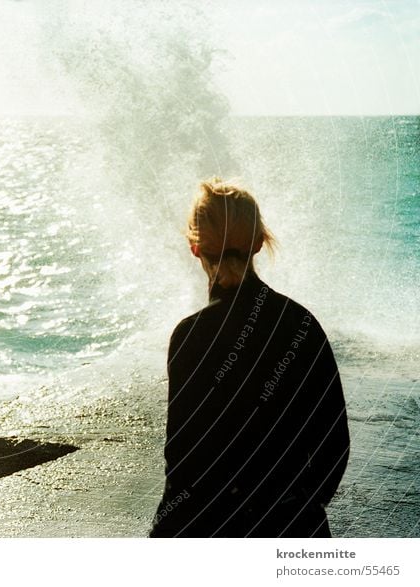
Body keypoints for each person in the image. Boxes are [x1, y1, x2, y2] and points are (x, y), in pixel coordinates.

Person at [149, 179, 349, 537]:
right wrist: (302, 508)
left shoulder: (191, 335)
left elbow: (184, 462)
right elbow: (334, 444)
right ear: (258, 242)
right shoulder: (302, 324)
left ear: (194, 247)